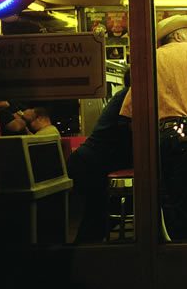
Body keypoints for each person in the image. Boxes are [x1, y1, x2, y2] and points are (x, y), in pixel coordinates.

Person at [119, 14, 187, 240]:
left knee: (167, 199)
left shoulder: (149, 59)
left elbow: (130, 112)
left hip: (158, 137)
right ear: (177, 36)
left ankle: (170, 250)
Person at [67, 67, 133, 243]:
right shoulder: (130, 96)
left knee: (96, 218)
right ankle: (83, 260)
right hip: (92, 163)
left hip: (88, 160)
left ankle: (84, 259)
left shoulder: (124, 95)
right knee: (94, 219)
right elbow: (127, 130)